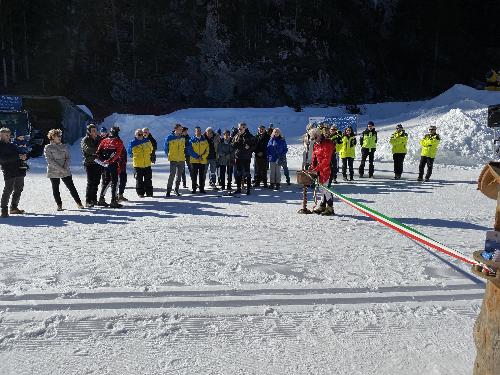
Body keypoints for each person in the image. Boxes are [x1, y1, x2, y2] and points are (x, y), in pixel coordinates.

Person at [44, 129, 83, 211]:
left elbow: (68, 157)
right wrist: (61, 169)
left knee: (71, 187)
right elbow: (50, 160)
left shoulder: (64, 146)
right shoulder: (48, 147)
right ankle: (59, 205)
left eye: (60, 136)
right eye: (58, 136)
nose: (59, 137)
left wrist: (65, 167)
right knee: (55, 188)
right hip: (53, 171)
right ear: (52, 137)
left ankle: (79, 203)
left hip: (65, 170)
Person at [0, 127, 27, 217]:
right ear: (1, 135)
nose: (8, 136)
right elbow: (3, 160)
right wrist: (18, 157)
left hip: (19, 169)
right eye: (6, 135)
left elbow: (18, 154)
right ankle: (4, 210)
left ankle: (14, 208)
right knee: (8, 189)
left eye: (9, 134)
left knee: (19, 188)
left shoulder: (12, 145)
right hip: (9, 170)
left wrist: (23, 157)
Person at [308, 128, 335, 216]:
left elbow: (326, 160)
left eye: (314, 138)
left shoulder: (327, 143)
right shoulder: (316, 145)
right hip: (320, 169)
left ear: (319, 135)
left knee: (326, 188)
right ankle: (323, 205)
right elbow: (314, 158)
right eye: (312, 139)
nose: (314, 140)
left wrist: (317, 169)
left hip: (328, 168)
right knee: (321, 188)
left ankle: (330, 207)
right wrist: (312, 167)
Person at [96, 126, 125, 208]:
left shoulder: (104, 140)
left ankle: (101, 199)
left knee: (107, 180)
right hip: (113, 164)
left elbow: (98, 152)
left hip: (105, 164)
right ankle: (113, 201)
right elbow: (118, 154)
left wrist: (103, 160)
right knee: (115, 181)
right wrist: (109, 160)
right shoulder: (118, 141)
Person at [164, 123, 189, 197]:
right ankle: (168, 190)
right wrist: (169, 155)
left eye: (182, 129)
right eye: (180, 129)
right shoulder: (169, 137)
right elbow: (166, 148)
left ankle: (176, 190)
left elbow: (186, 147)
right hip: (173, 159)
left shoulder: (183, 138)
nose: (181, 130)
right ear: (175, 129)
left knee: (179, 175)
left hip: (181, 159)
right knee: (172, 175)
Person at [81, 123, 102, 207]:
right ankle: (88, 201)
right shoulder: (85, 140)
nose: (95, 132)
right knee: (90, 182)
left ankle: (94, 199)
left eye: (95, 130)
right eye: (93, 130)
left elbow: (104, 146)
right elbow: (88, 150)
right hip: (89, 163)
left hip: (98, 163)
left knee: (96, 182)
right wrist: (98, 151)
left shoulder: (99, 139)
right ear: (89, 132)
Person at [128, 128, 153, 197]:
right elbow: (130, 152)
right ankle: (140, 193)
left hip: (147, 164)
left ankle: (149, 193)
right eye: (139, 134)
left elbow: (151, 149)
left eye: (142, 134)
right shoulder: (132, 143)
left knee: (148, 179)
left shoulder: (147, 141)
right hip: (138, 165)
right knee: (139, 180)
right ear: (135, 135)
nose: (141, 136)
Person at [232, 122, 255, 195]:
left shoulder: (249, 136)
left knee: (247, 173)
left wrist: (250, 148)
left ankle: (248, 189)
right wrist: (234, 144)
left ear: (245, 128)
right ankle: (238, 188)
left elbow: (254, 145)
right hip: (238, 157)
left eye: (241, 128)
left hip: (246, 157)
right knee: (238, 173)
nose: (240, 130)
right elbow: (232, 145)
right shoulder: (236, 136)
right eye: (239, 128)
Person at [189, 126, 208, 194]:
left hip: (202, 161)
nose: (198, 132)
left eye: (199, 130)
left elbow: (207, 150)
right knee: (194, 175)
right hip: (194, 161)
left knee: (202, 175)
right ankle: (194, 188)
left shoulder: (204, 140)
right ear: (195, 132)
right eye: (197, 131)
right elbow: (190, 150)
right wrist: (197, 157)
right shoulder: (191, 140)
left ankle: (201, 188)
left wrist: (202, 157)